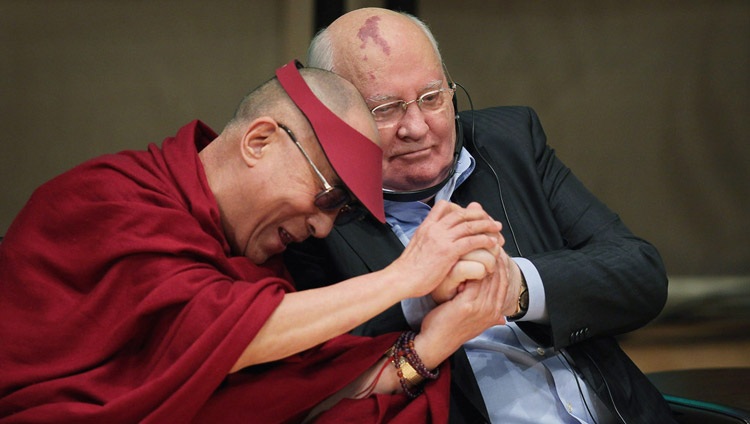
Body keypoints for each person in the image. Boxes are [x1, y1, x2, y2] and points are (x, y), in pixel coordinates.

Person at [0, 61, 507, 423]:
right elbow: (226, 337)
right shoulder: (106, 201)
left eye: (342, 212)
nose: (324, 227)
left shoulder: (259, 263)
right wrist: (404, 275)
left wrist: (436, 340)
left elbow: (297, 397)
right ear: (259, 141)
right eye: (329, 196)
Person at [284, 8, 678, 424]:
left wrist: (517, 286)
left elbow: (641, 273)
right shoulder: (311, 208)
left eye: (432, 98)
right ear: (332, 117)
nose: (417, 127)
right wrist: (424, 297)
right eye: (386, 109)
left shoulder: (509, 144)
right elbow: (311, 367)